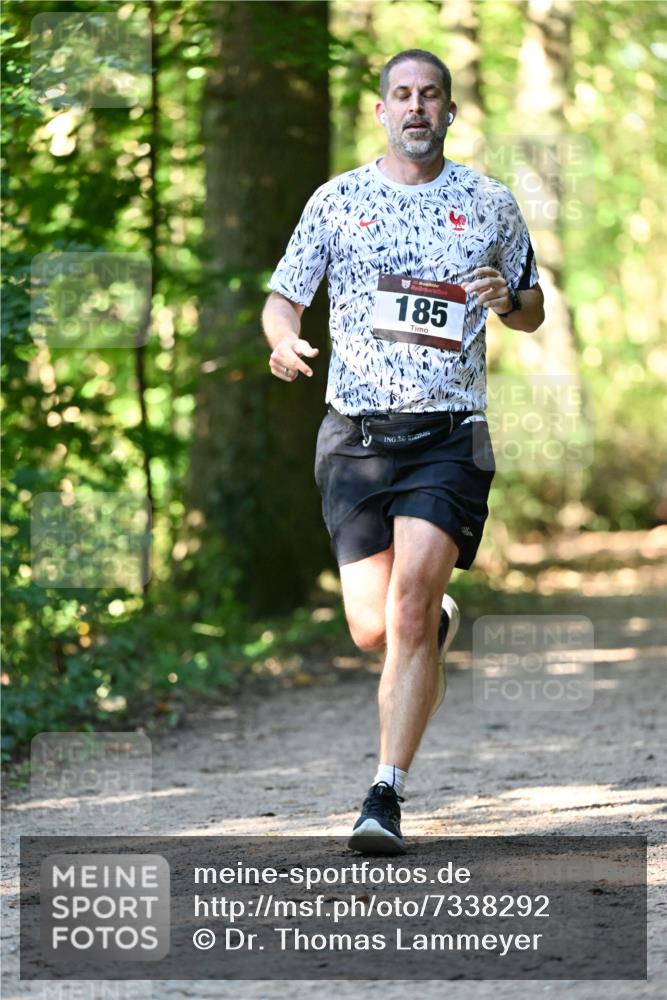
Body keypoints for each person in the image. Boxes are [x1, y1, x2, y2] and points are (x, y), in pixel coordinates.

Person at [261, 49, 544, 854]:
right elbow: (285, 296)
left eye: (431, 96)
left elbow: (531, 306)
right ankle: (431, 624)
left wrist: (507, 299)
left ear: (449, 112)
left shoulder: (489, 203)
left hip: (448, 436)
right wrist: (284, 342)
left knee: (411, 608)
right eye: (402, 95)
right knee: (370, 629)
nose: (416, 107)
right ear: (382, 110)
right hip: (355, 436)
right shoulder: (337, 201)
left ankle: (383, 794)